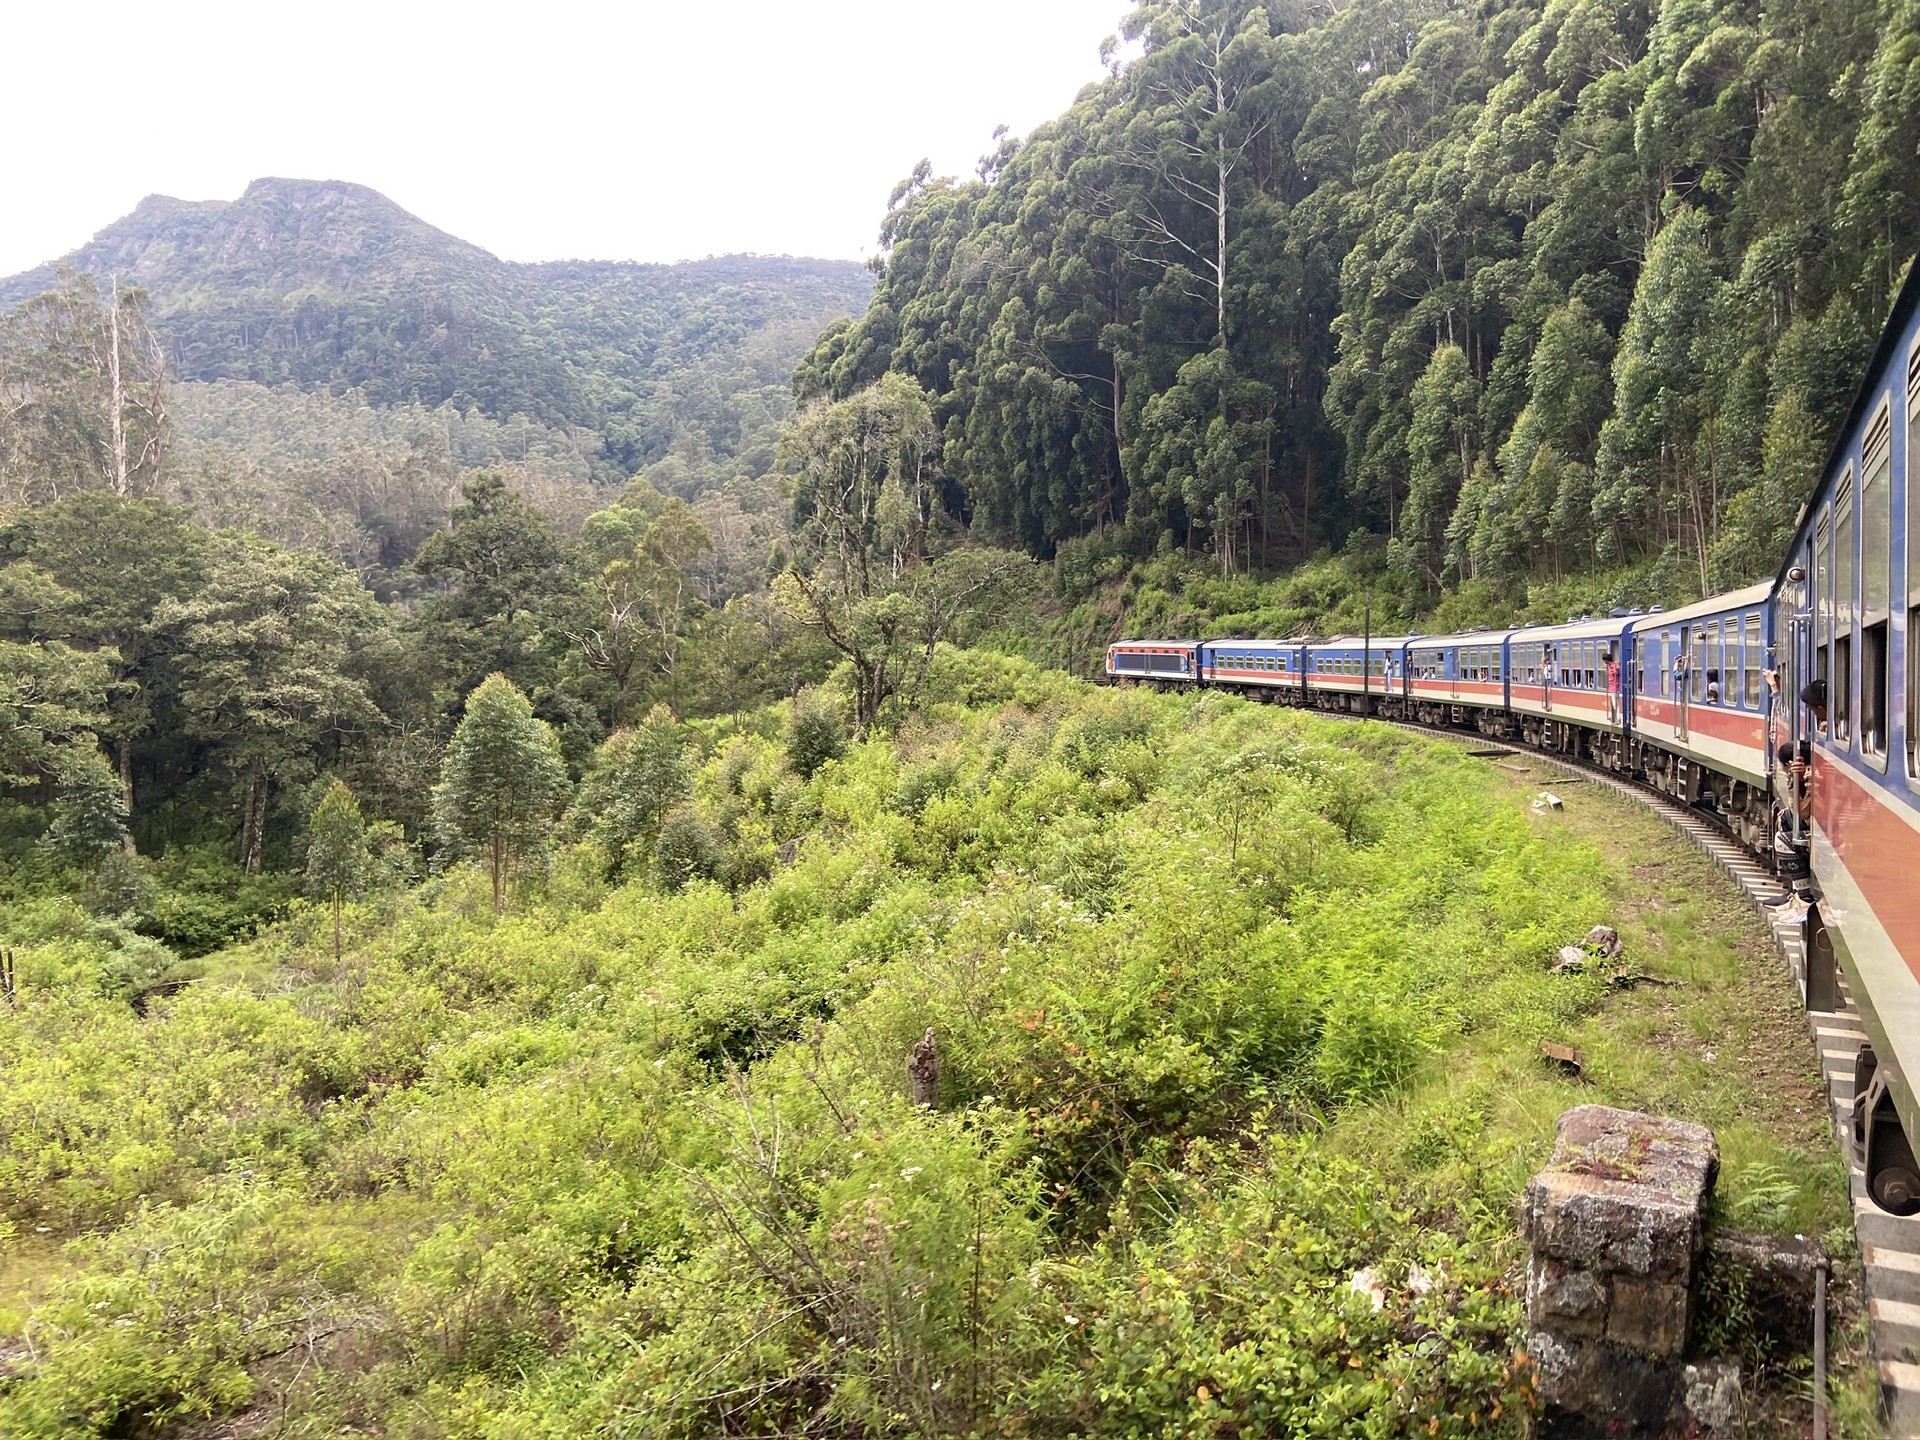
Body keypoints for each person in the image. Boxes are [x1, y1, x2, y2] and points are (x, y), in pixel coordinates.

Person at [1606, 650, 1622, 724]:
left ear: (1606, 660)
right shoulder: (1610, 667)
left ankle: (1619, 718)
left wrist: (1615, 672)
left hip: (1615, 687)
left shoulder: (1614, 666)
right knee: (1614, 703)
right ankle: (1614, 716)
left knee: (1616, 703)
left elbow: (1617, 672)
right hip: (1612, 687)